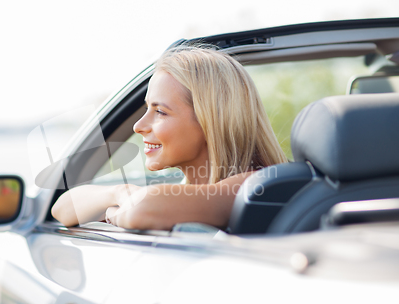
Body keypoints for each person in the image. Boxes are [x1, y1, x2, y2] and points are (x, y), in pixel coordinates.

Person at [52, 45, 287, 230]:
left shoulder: (260, 185)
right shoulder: (191, 190)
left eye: (160, 111)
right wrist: (118, 193)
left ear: (211, 121)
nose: (138, 126)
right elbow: (62, 207)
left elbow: (143, 209)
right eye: (146, 109)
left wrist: (111, 212)